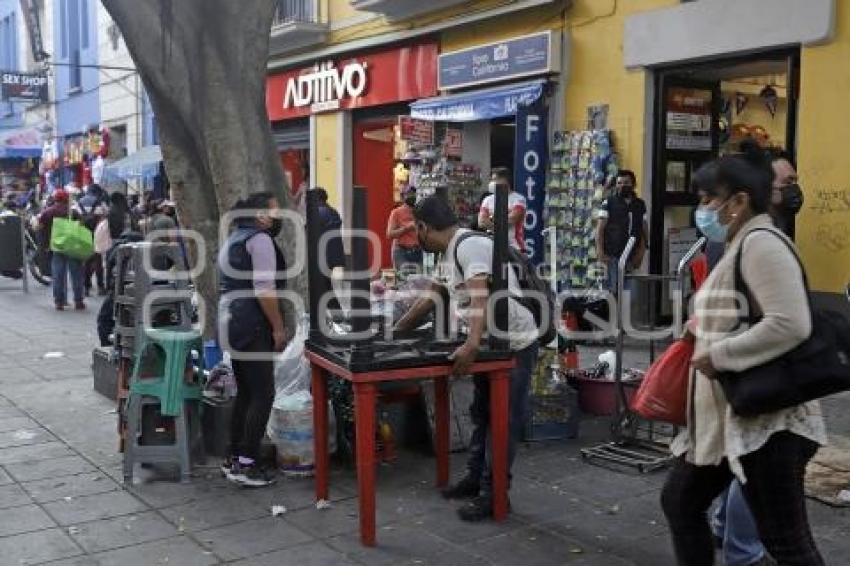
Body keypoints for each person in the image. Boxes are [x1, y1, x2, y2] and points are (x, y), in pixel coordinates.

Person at [661, 146, 827, 566]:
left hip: (765, 424)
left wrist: (720, 354)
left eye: (706, 199)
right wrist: (699, 326)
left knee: (787, 542)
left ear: (737, 202)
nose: (701, 209)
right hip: (728, 422)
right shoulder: (738, 243)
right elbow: (735, 308)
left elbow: (791, 323)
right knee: (680, 502)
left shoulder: (761, 243)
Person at [395, 196, 539, 522]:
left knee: (503, 421)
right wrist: (394, 331)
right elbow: (430, 299)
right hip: (489, 343)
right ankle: (475, 479)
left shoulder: (468, 247)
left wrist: (471, 343)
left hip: (513, 343)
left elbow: (479, 295)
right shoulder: (447, 254)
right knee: (483, 414)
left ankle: (494, 493)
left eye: (415, 230)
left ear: (422, 227)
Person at [218, 192, 289, 488]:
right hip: (251, 323)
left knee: (246, 392)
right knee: (263, 393)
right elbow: (264, 289)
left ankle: (235, 458)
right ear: (260, 214)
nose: (277, 217)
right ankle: (247, 464)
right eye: (274, 211)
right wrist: (278, 328)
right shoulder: (259, 240)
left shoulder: (234, 237)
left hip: (231, 322)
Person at [596, 170, 648, 293]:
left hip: (631, 257)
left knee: (629, 294)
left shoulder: (640, 205)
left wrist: (641, 253)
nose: (622, 186)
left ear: (633, 185)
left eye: (626, 183)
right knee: (611, 293)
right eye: (619, 183)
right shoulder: (608, 202)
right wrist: (600, 251)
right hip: (612, 256)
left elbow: (644, 229)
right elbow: (599, 229)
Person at [38, 189, 86, 311]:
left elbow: (40, 229)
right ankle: (78, 301)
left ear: (55, 199)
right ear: (66, 199)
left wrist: (45, 244)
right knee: (76, 274)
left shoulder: (47, 212)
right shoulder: (73, 212)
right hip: (72, 247)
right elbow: (81, 226)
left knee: (58, 275)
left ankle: (59, 302)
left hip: (56, 247)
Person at [477, 168, 527, 252]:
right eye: (492, 180)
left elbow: (510, 220)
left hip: (515, 247)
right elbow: (481, 222)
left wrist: (491, 218)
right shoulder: (487, 200)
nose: (492, 183)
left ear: (505, 180)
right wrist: (502, 219)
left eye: (495, 179)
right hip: (491, 246)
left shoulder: (519, 199)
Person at [78, 184, 109, 296]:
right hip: (97, 233)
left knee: (86, 260)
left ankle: (86, 287)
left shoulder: (80, 201)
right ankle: (100, 287)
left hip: (83, 234)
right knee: (98, 260)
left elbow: (74, 216)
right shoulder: (99, 201)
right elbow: (106, 213)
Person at [768, 148, 803, 239]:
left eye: (795, 181)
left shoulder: (780, 229)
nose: (795, 188)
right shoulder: (758, 237)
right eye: (788, 182)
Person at [386, 186, 422, 274]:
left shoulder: (420, 212)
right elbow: (389, 234)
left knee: (418, 282)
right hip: (401, 252)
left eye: (414, 193)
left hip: (418, 252)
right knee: (403, 280)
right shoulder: (396, 213)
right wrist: (407, 228)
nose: (412, 196)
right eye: (409, 194)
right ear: (403, 197)